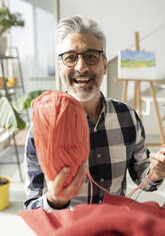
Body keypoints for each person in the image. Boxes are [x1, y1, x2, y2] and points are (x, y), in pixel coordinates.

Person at [24, 15, 165, 211]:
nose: (81, 67)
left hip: (114, 227)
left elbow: (143, 178)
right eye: (70, 58)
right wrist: (54, 200)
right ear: (59, 67)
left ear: (105, 65)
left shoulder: (127, 116)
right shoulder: (43, 127)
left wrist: (157, 173)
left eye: (90, 56)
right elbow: (31, 206)